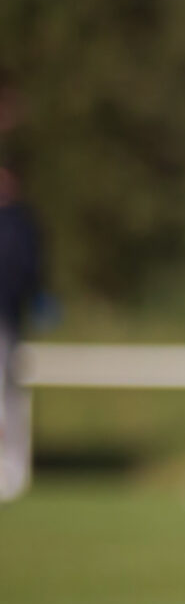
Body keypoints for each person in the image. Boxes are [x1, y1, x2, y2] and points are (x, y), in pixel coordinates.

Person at [0, 164, 50, 502]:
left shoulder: (22, 223)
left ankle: (11, 470)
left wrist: (37, 297)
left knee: (7, 395)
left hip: (6, 319)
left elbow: (31, 268)